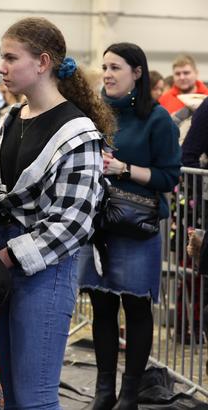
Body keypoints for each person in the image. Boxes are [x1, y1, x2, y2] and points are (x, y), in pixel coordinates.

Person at [0, 17, 116, 409]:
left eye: (9, 57)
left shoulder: (78, 133)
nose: (1, 67)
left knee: (33, 399)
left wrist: (7, 256)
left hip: (45, 272)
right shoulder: (9, 119)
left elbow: (73, 222)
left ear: (42, 62)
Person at [78, 43, 181, 410]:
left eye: (116, 67)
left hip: (137, 229)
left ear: (137, 72)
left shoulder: (158, 120)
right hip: (98, 225)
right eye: (104, 67)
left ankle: (130, 394)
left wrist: (122, 169)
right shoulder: (91, 115)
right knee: (102, 307)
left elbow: (169, 176)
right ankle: (104, 390)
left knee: (136, 309)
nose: (107, 73)